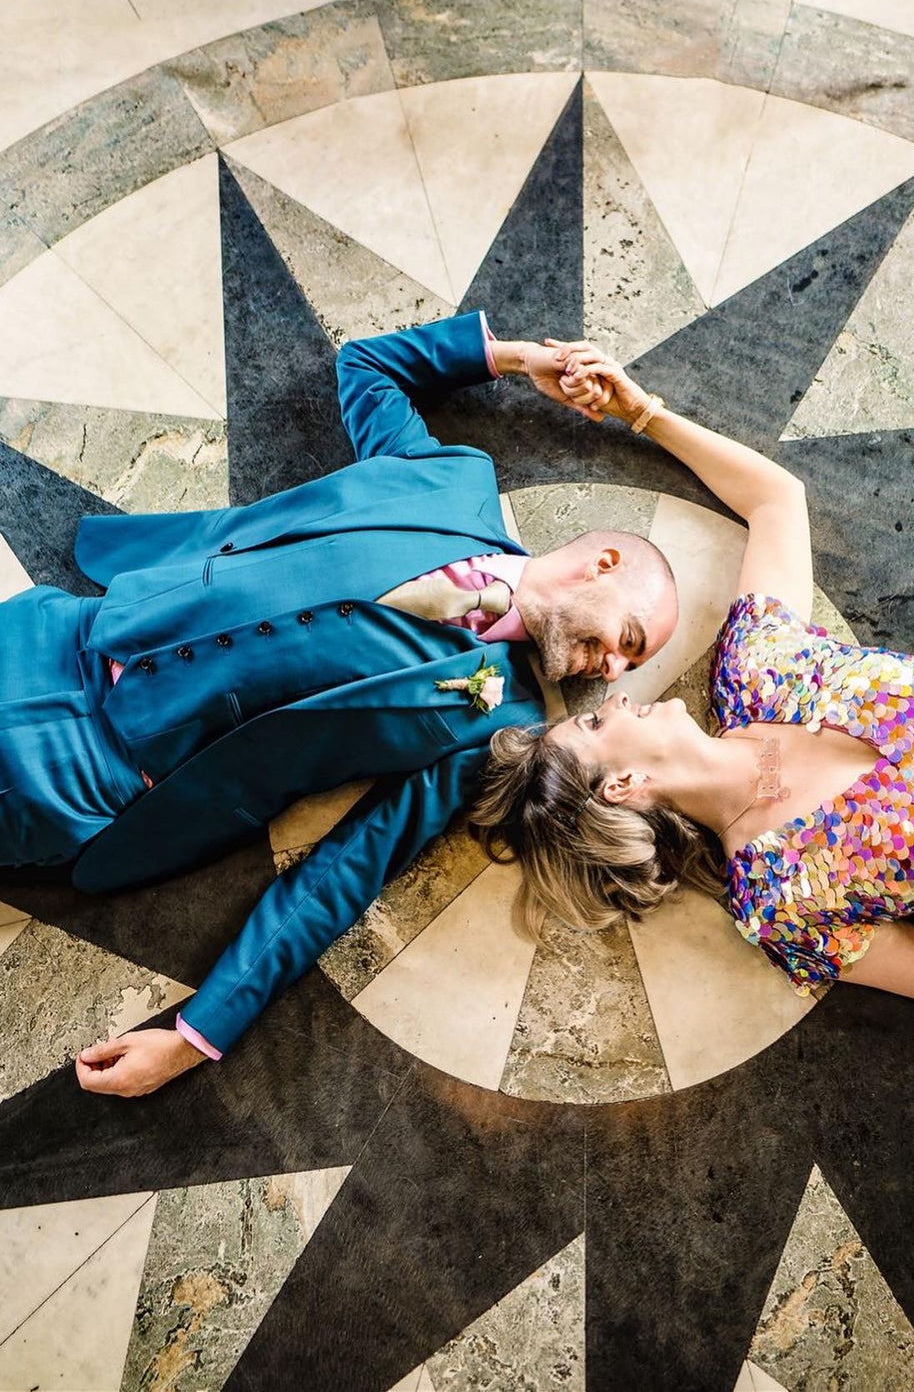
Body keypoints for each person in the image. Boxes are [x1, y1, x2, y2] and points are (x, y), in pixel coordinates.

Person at [0, 313, 678, 1097]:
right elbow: (366, 368)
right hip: (69, 629)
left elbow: (347, 869)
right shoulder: (452, 480)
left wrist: (194, 1034)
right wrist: (520, 358)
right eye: (628, 635)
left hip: (95, 772)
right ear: (604, 561)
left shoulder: (497, 722)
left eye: (632, 661)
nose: (615, 666)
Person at [471, 343, 914, 1013]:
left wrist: (640, 410)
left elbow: (775, 500)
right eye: (598, 722)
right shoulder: (780, 895)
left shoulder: (758, 673)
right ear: (622, 787)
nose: (619, 696)